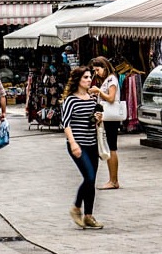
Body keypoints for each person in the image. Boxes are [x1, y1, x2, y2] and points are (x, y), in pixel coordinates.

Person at [61, 66, 103, 229]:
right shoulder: (70, 100)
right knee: (89, 177)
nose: (89, 80)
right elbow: (66, 123)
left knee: (91, 181)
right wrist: (73, 143)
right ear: (78, 80)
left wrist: (98, 119)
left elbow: (92, 121)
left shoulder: (92, 99)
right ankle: (76, 208)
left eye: (89, 77)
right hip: (78, 144)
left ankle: (89, 216)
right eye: (85, 77)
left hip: (92, 143)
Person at [90, 56, 121, 190]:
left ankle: (113, 181)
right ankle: (112, 179)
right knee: (109, 147)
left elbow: (111, 98)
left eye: (98, 70)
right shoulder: (107, 80)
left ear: (104, 67)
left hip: (111, 118)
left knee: (111, 147)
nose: (96, 73)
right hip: (107, 117)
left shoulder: (111, 79)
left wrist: (98, 91)